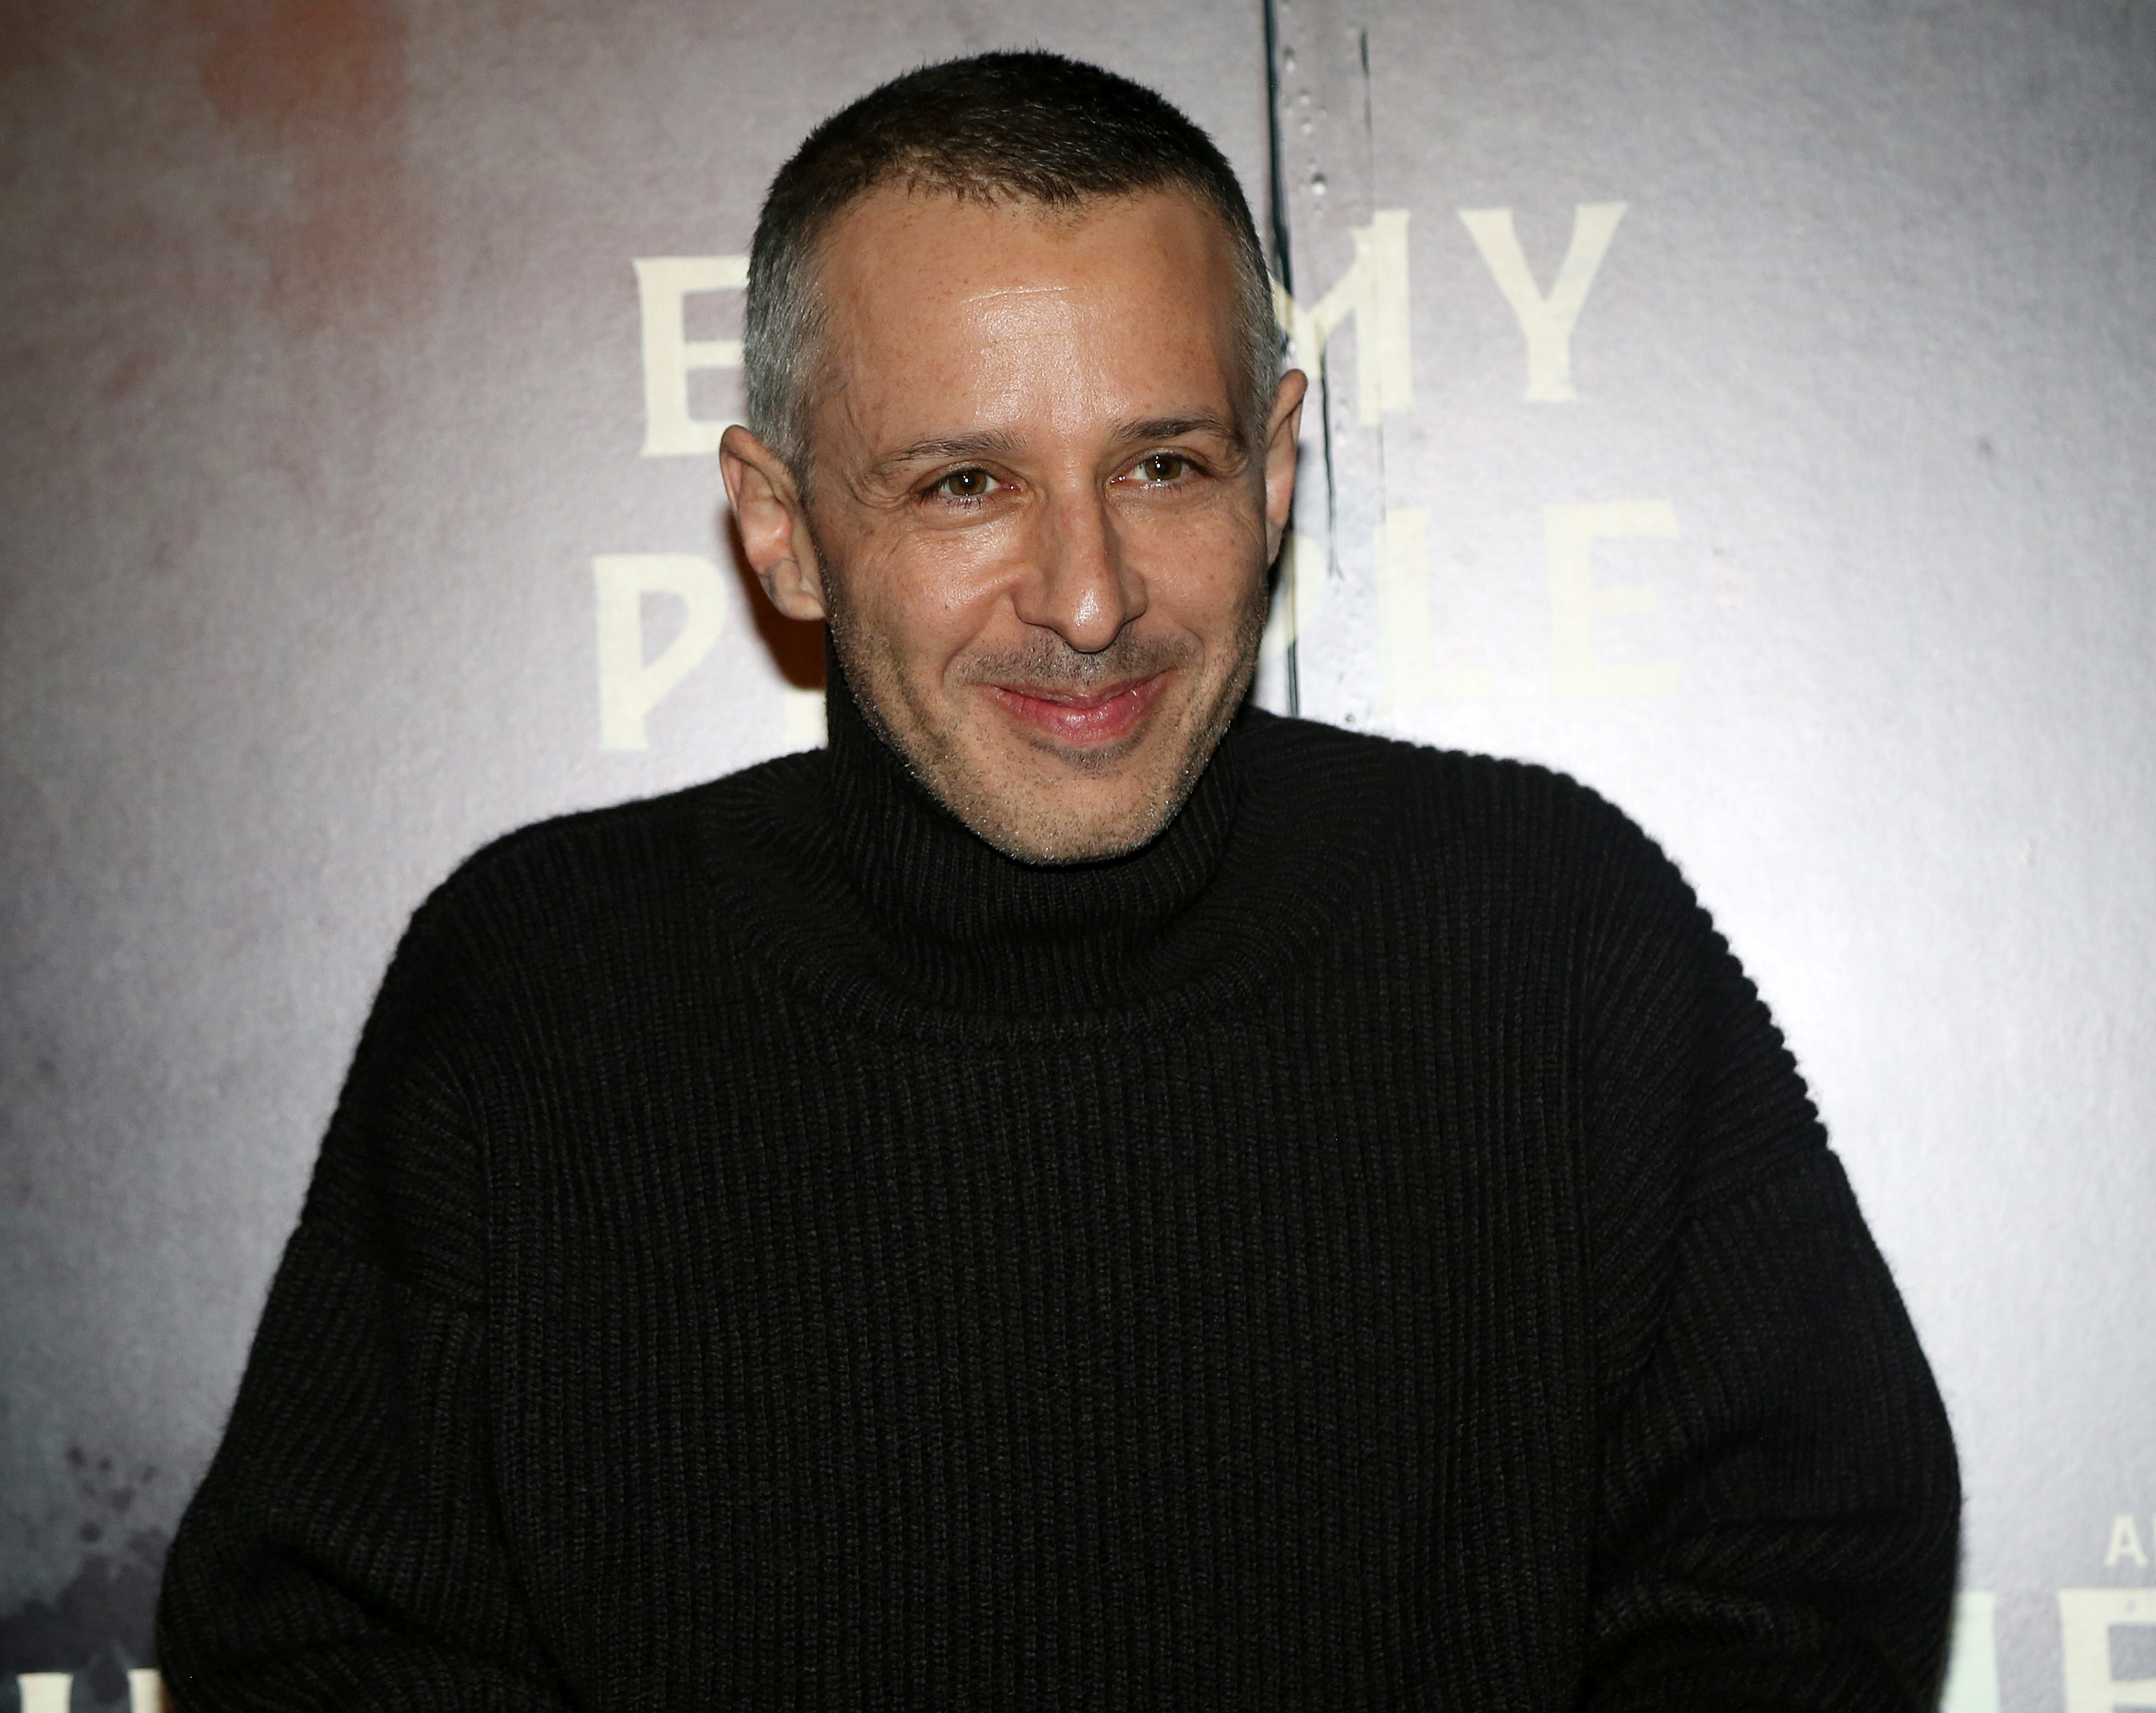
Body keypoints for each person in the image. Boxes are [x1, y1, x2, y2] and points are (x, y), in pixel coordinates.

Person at [157, 50, 1960, 1712]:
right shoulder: (545, 985)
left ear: (1273, 465)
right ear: (778, 522)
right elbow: (319, 1644)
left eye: (1163, 464)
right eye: (964, 485)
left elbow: (1793, 1591)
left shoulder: (1552, 935)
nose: (1088, 600)